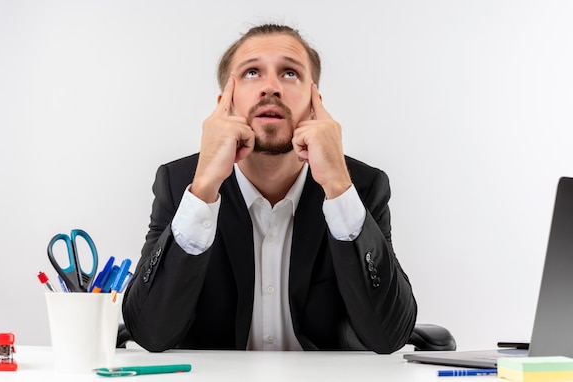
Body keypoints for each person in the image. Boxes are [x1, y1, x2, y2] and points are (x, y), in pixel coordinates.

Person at [122, 23, 417, 354]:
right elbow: (149, 332)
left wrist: (337, 185)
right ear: (226, 106)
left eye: (290, 73)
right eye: (251, 73)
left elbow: (390, 336)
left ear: (314, 103)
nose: (271, 87)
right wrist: (204, 188)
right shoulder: (180, 185)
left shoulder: (360, 188)